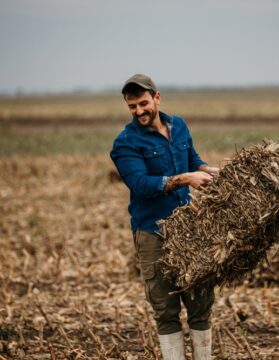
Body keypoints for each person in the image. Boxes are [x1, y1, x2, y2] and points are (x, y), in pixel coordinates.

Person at [110, 74, 219, 359]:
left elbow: (193, 159)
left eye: (143, 103)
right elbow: (141, 185)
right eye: (132, 106)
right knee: (165, 308)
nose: (139, 111)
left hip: (189, 229)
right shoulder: (125, 144)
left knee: (200, 302)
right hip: (152, 233)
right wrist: (185, 179)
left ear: (157, 98)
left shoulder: (179, 126)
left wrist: (210, 171)